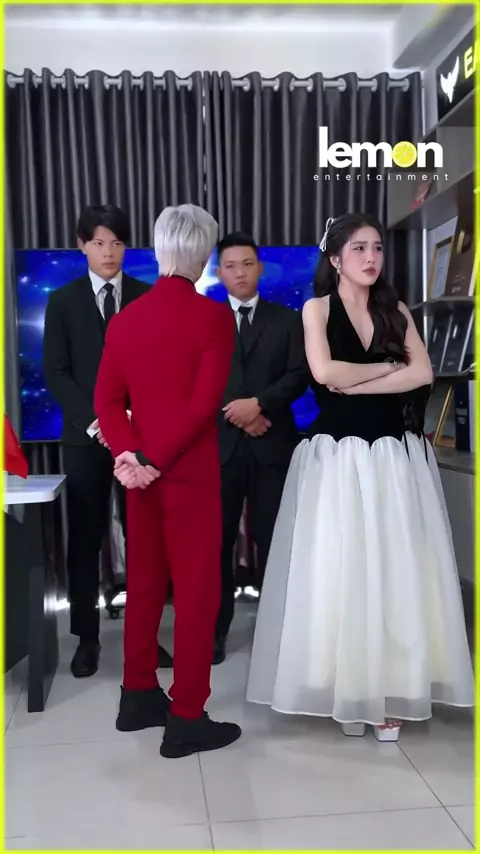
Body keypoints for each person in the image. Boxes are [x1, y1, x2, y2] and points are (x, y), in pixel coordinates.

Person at [246, 213, 473, 741]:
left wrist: (363, 381)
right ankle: (347, 692)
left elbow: (423, 373)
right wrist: (389, 369)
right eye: (359, 249)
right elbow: (325, 374)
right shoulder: (317, 309)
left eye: (377, 248)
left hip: (395, 456)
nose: (371, 258)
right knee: (341, 567)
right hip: (338, 459)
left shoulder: (396, 310)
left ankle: (389, 688)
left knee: (396, 568)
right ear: (335, 258)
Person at [94, 204, 242, 759]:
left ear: (158, 250)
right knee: (197, 595)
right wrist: (151, 458)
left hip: (140, 480)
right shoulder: (214, 318)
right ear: (204, 253)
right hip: (190, 475)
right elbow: (204, 405)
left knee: (145, 586)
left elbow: (106, 401)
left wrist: (131, 455)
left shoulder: (125, 319)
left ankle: (137, 695)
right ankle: (186, 717)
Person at [43, 204, 153, 679]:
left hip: (141, 439)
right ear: (82, 246)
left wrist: (130, 423)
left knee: (144, 540)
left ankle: (144, 638)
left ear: (127, 246)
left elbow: (158, 369)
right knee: (85, 540)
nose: (108, 252)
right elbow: (57, 372)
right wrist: (99, 423)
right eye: (98, 243)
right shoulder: (63, 301)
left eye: (117, 243)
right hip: (86, 439)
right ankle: (86, 639)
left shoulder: (148, 297)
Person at [214, 232, 310, 665]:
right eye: (231, 265)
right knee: (216, 543)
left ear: (261, 268)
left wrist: (260, 405)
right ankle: (215, 632)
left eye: (247, 264)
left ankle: (278, 634)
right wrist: (240, 413)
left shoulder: (288, 320)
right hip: (220, 449)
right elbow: (194, 379)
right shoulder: (206, 320)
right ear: (219, 272)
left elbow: (299, 374)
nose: (240, 272)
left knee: (273, 537)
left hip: (274, 445)